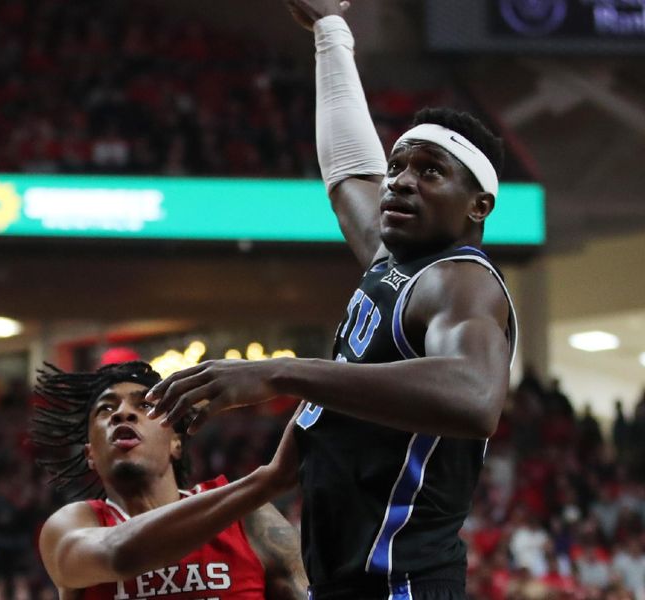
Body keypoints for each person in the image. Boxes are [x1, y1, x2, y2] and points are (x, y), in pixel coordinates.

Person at [146, 1, 518, 598]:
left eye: (430, 171)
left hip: (401, 583)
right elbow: (349, 167)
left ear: (478, 206)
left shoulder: (460, 278)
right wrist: (329, 30)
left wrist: (283, 372)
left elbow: (475, 399)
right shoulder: (392, 258)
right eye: (398, 166)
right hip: (349, 577)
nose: (399, 180)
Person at [31, 360, 307, 600]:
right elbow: (120, 554)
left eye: (145, 405)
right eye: (105, 409)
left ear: (176, 442)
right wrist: (268, 481)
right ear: (90, 454)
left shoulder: (250, 517)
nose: (122, 413)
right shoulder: (71, 525)